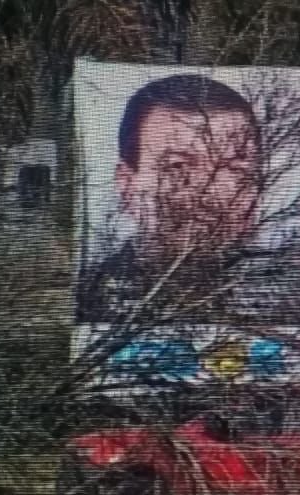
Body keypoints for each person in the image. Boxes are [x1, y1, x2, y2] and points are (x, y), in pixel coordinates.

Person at [76, 73, 285, 324]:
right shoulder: (88, 299)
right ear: (127, 183)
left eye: (234, 170)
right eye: (177, 167)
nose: (208, 192)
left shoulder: (290, 297)